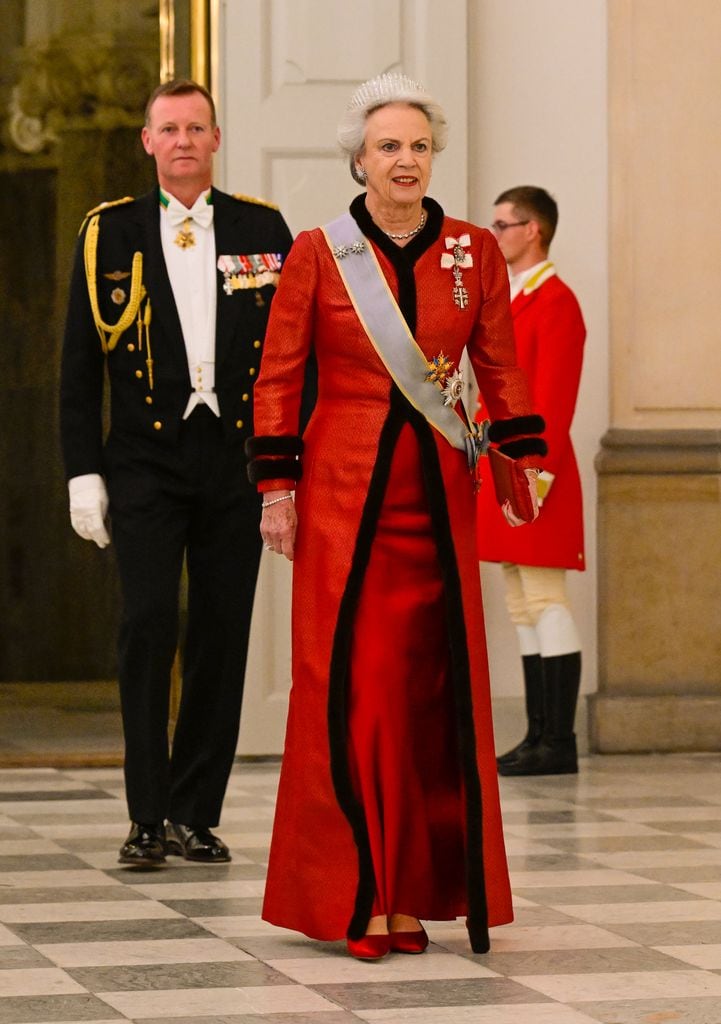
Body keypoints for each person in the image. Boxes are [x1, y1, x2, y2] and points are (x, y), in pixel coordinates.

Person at [246, 73, 546, 961]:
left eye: (418, 145)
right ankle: (360, 892)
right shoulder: (316, 253)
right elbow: (278, 378)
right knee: (357, 689)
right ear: (359, 159)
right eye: (388, 146)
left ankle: (411, 889)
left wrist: (522, 461)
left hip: (436, 505)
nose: (405, 159)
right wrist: (276, 490)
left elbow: (500, 367)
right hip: (344, 506)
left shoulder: (471, 252)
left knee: (426, 697)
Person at [59, 79, 293, 866]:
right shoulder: (108, 234)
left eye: (197, 127)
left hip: (234, 460)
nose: (184, 140)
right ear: (148, 142)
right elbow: (77, 370)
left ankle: (196, 812)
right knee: (147, 626)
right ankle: (146, 815)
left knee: (221, 635)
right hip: (144, 463)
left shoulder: (264, 228)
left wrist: (285, 469)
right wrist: (81, 474)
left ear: (216, 141)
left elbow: (295, 360)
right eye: (169, 128)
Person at [476, 186, 586, 777]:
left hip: (536, 472)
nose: (494, 234)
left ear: (533, 230)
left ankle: (558, 740)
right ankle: (537, 735)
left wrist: (533, 476)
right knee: (522, 603)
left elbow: (555, 398)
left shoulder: (557, 302)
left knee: (545, 597)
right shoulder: (516, 299)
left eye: (503, 224)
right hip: (509, 466)